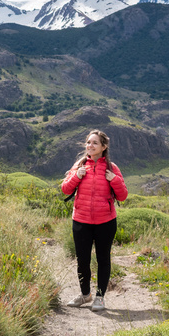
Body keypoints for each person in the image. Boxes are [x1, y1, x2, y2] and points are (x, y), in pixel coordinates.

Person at [60, 129, 127, 312]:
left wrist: (114, 180)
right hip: (81, 221)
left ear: (104, 147)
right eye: (88, 142)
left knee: (103, 259)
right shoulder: (79, 165)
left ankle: (100, 297)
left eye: (95, 143)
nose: (90, 145)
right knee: (82, 260)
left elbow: (122, 196)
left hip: (105, 222)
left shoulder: (112, 168)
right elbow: (65, 189)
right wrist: (77, 176)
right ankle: (85, 295)